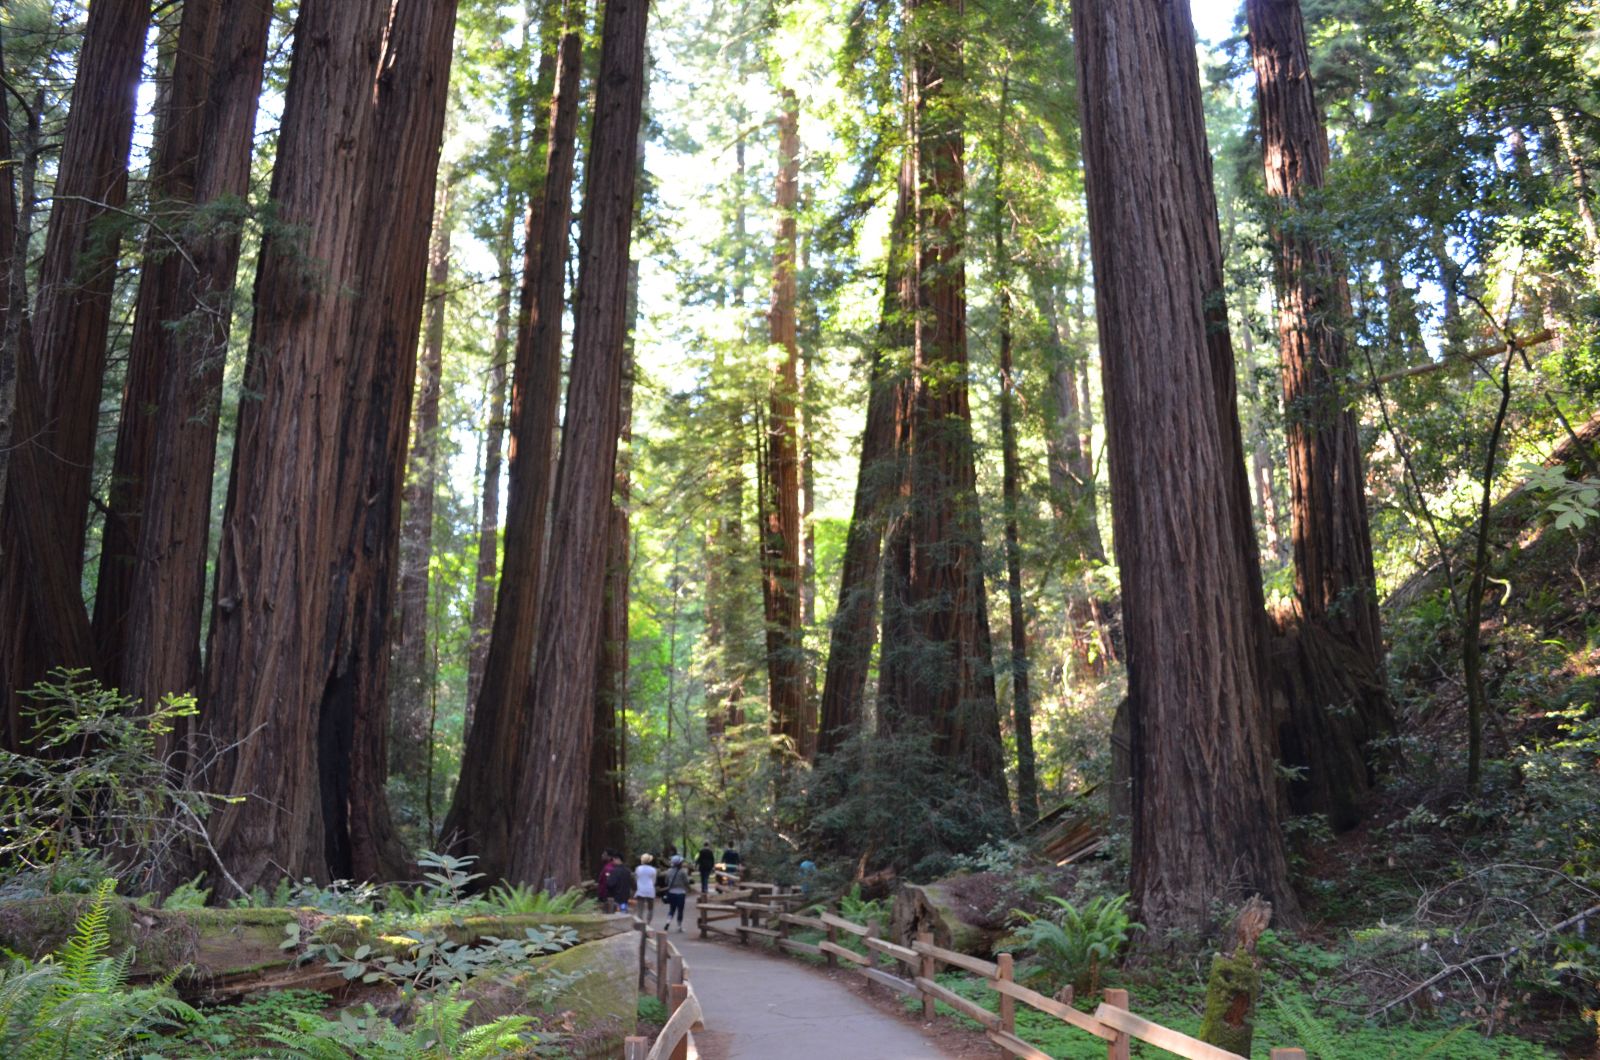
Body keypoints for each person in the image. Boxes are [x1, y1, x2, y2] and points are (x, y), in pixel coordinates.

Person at [662, 854, 692, 932]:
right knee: (680, 910)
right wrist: (689, 889)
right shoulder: (683, 872)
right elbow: (686, 882)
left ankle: (667, 922)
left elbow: (666, 881)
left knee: (672, 909)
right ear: (679, 863)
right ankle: (679, 926)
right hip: (681, 893)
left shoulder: (669, 871)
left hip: (671, 892)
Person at [634, 853, 658, 922]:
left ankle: (640, 922)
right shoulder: (653, 869)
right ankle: (648, 922)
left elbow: (636, 878)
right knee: (650, 908)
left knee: (640, 908)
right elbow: (654, 881)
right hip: (650, 890)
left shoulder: (638, 868)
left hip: (641, 890)